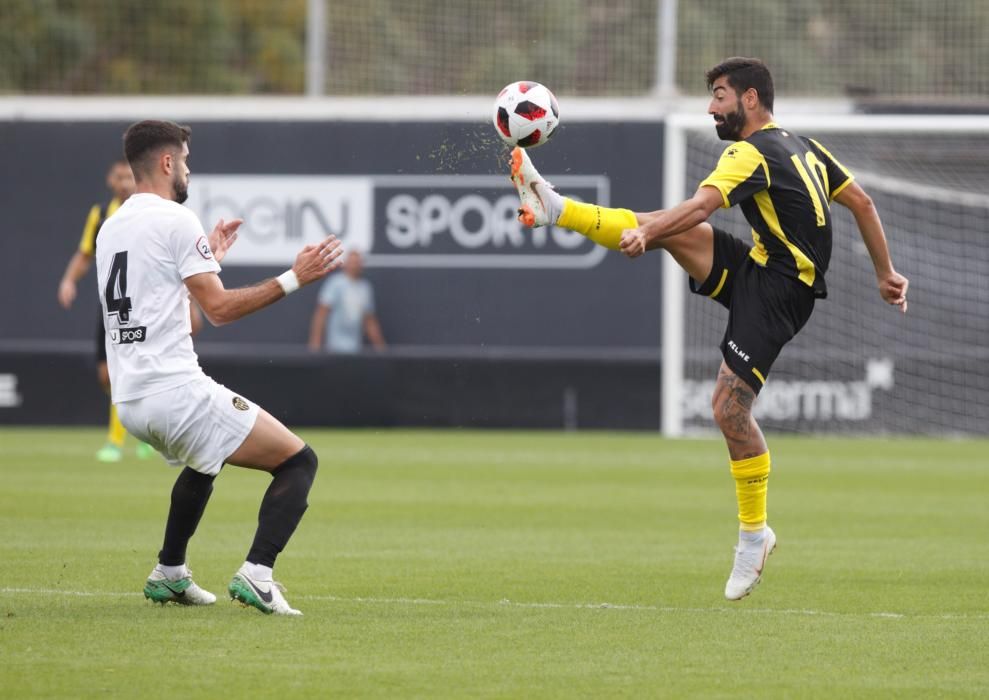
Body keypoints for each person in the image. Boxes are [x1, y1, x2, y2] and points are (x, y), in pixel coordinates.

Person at [509, 57, 908, 601]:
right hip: (763, 269)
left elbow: (700, 206)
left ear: (749, 99)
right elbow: (860, 201)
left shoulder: (748, 152)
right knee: (667, 229)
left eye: (719, 95)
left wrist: (648, 235)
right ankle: (556, 208)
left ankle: (754, 535)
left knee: (727, 407)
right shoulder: (803, 145)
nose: (710, 106)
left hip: (779, 294)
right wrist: (885, 273)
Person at [97, 120, 344, 615]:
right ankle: (258, 574)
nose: (188, 169)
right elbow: (218, 311)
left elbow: (176, 305)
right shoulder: (174, 219)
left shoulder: (113, 226)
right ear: (167, 163)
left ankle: (169, 572)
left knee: (203, 461)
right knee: (299, 461)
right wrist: (297, 277)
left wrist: (208, 256)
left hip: (130, 400)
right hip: (173, 392)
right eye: (185, 160)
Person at [57, 158, 154, 462]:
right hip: (112, 306)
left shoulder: (148, 214)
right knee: (106, 375)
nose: (125, 182)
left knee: (133, 371)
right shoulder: (100, 215)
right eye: (119, 176)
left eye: (130, 176)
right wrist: (69, 281)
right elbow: (85, 254)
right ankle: (137, 430)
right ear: (110, 180)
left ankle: (123, 439)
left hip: (142, 306)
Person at [307, 249, 386, 353]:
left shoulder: (365, 288)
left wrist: (381, 349)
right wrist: (315, 343)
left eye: (357, 262)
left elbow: (369, 321)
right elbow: (321, 314)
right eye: (352, 262)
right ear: (346, 264)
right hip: (334, 348)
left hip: (355, 349)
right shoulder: (335, 283)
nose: (354, 265)